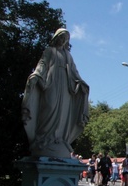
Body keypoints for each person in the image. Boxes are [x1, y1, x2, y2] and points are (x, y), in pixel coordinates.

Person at [21, 28, 89, 158]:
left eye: (66, 38)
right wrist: (36, 75)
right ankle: (43, 139)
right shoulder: (49, 51)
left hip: (65, 86)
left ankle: (59, 138)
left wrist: (81, 83)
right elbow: (42, 65)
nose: (63, 40)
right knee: (50, 107)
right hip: (51, 83)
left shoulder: (68, 55)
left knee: (63, 112)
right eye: (61, 37)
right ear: (56, 37)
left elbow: (74, 72)